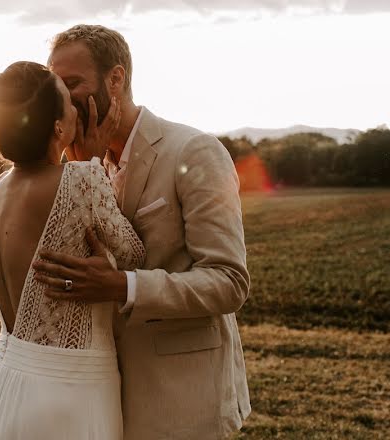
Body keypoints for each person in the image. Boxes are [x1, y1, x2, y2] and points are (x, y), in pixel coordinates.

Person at [33, 25, 251, 439]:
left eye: (72, 83)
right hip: (101, 393)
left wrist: (124, 287)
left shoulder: (193, 151)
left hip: (182, 395)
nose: (60, 98)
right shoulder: (77, 165)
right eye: (55, 84)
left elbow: (229, 282)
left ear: (116, 79)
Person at [0, 61, 146, 439]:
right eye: (67, 101)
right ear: (59, 126)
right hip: (67, 396)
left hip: (0, 382)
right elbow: (133, 256)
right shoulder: (84, 179)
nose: (78, 107)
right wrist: (91, 164)